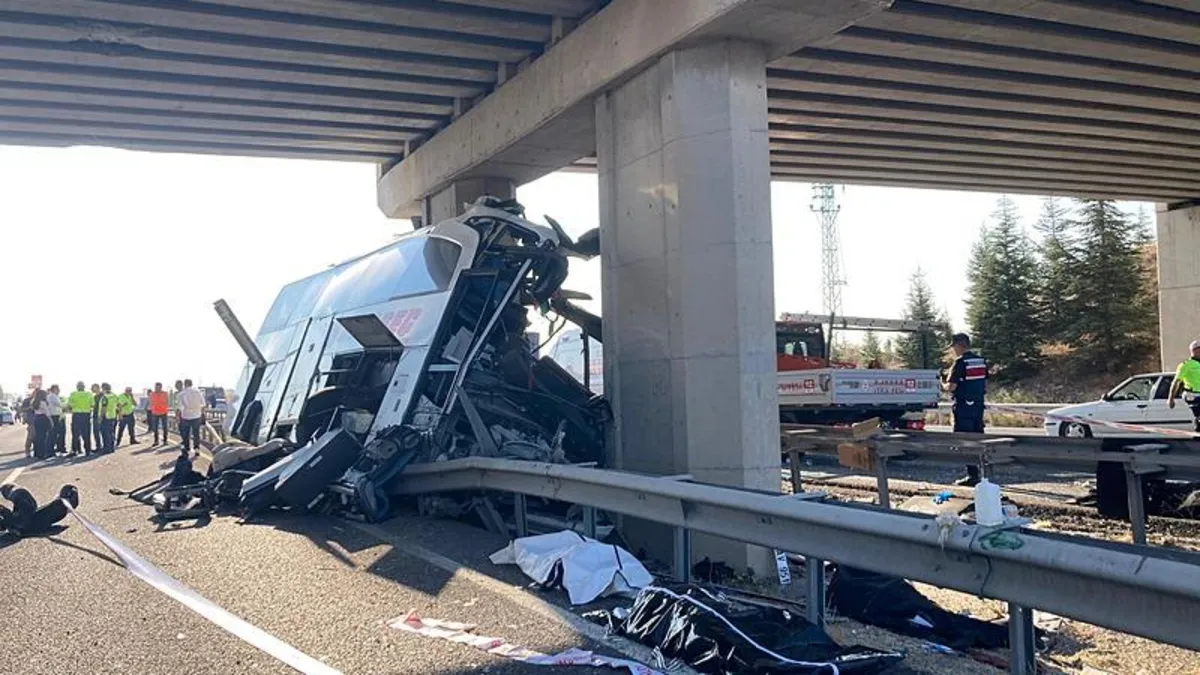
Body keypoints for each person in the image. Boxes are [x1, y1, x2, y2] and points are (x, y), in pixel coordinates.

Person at [942, 333, 988, 487]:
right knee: (978, 439)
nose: (953, 351)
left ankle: (972, 475)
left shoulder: (960, 363)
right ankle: (984, 474)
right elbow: (983, 382)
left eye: (953, 347)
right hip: (978, 406)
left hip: (963, 407)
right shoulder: (980, 361)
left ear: (959, 346)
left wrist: (942, 384)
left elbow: (952, 387)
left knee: (965, 441)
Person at [1168, 339, 1200, 432]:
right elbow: (1176, 381)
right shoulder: (1186, 365)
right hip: (1192, 394)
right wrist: (1171, 399)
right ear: (1194, 351)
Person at [177, 378, 206, 452]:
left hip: (186, 416)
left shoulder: (181, 394)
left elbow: (179, 408)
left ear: (184, 384)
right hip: (196, 415)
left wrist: (178, 417)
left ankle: (187, 448)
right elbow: (203, 404)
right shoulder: (198, 392)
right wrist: (201, 412)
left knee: (186, 433)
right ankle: (197, 448)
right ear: (191, 384)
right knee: (196, 433)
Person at [66, 381, 94, 456]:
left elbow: (69, 406)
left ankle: (74, 451)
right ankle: (87, 451)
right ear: (84, 387)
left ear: (77, 387)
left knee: (75, 434)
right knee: (86, 434)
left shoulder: (73, 394)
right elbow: (92, 405)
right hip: (86, 415)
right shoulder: (89, 394)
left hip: (77, 415)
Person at [29, 388, 53, 460]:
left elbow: (32, 409)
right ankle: (42, 454)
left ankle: (37, 453)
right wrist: (51, 421)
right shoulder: (43, 402)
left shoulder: (33, 401)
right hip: (43, 418)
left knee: (38, 436)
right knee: (44, 437)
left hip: (37, 418)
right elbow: (47, 413)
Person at [98, 383, 119, 453]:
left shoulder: (105, 397)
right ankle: (112, 448)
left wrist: (100, 418)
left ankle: (106, 448)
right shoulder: (114, 396)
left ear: (104, 388)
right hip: (113, 416)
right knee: (111, 433)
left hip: (105, 417)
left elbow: (103, 408)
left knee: (105, 433)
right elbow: (119, 405)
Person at [46, 384, 66, 455]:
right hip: (54, 416)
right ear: (54, 389)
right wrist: (68, 404)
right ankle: (50, 451)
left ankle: (52, 449)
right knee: (53, 434)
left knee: (54, 434)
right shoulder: (52, 396)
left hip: (55, 416)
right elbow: (60, 404)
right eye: (58, 389)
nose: (59, 390)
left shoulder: (51, 396)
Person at [90, 383, 103, 453]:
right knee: (96, 432)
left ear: (98, 388)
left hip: (101, 416)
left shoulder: (102, 396)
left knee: (102, 432)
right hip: (95, 416)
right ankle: (99, 447)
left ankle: (104, 446)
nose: (92, 389)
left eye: (93, 387)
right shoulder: (94, 397)